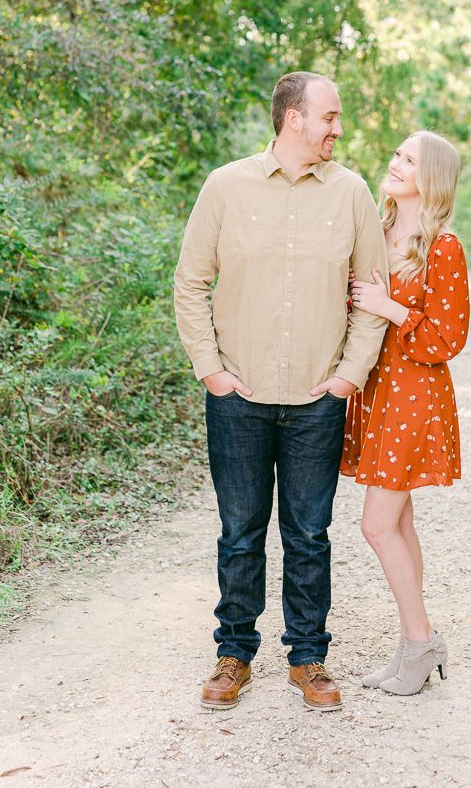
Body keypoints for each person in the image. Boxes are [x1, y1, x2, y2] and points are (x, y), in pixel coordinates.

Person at [173, 72, 389, 712]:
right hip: (237, 394)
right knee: (240, 531)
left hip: (317, 399)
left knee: (309, 533)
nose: (338, 129)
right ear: (294, 118)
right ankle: (233, 653)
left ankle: (308, 658)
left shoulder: (351, 192)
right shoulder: (226, 186)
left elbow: (372, 296)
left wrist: (348, 375)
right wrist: (211, 369)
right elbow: (190, 283)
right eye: (330, 116)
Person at [341, 130, 469, 695]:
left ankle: (420, 642)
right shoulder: (378, 228)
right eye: (396, 154)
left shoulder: (444, 246)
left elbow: (447, 337)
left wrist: (389, 306)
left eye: (409, 160)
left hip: (415, 395)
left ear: (431, 176)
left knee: (376, 525)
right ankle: (415, 643)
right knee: (400, 521)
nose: (395, 163)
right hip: (378, 389)